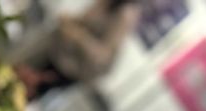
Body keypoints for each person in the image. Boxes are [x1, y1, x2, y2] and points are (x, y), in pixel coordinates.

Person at [13, 0, 143, 97]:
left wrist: (77, 35)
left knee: (20, 92)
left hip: (68, 68)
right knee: (13, 74)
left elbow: (102, 56)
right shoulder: (106, 3)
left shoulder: (125, 14)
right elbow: (85, 22)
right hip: (56, 51)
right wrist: (70, 21)